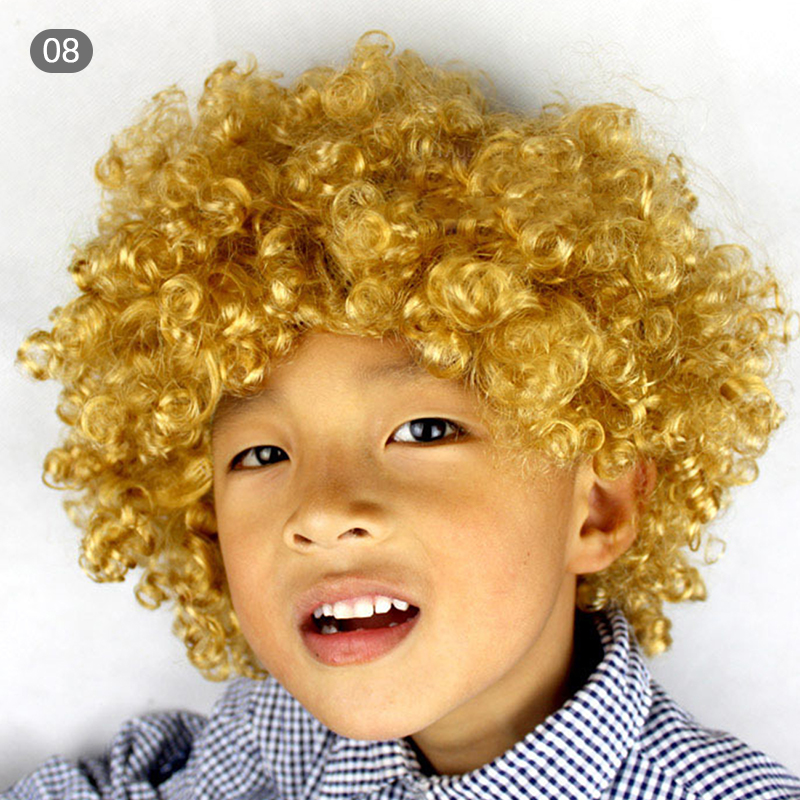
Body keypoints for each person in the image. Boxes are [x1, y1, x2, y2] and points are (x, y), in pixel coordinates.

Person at [5, 29, 799, 800]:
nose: (320, 513)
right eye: (261, 455)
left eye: (423, 431)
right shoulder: (273, 742)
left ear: (598, 507)